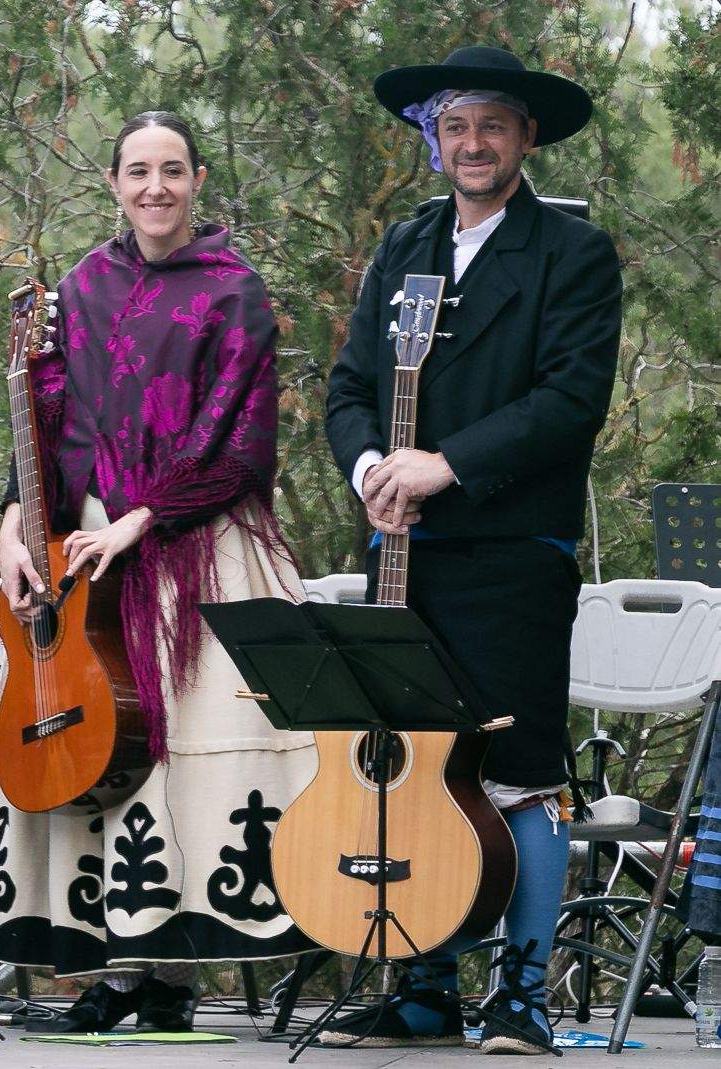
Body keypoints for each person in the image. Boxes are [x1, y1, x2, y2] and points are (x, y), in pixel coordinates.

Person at [0, 112, 315, 1033]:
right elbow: (45, 418)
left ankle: (172, 970)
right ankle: (111, 969)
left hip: (195, 546)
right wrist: (14, 521)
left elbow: (243, 446)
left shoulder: (237, 292)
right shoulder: (83, 285)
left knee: (182, 760)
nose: (154, 188)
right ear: (114, 183)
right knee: (84, 741)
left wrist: (141, 519)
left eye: (171, 170)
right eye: (136, 172)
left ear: (198, 179)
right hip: (84, 550)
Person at [322, 46, 620, 1055]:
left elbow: (568, 402)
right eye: (455, 126)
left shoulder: (571, 256)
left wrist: (443, 466)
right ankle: (424, 987)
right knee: (407, 764)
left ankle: (523, 996)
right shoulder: (404, 249)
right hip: (401, 552)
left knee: (520, 771)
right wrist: (370, 468)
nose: (474, 143)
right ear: (432, 139)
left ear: (526, 137)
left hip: (510, 552)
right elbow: (349, 388)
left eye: (493, 124)